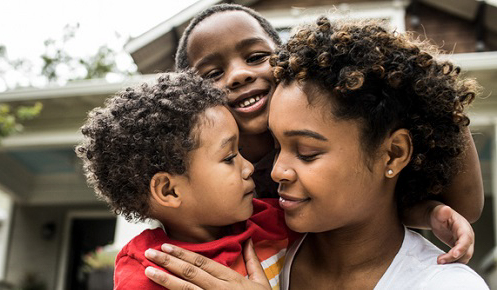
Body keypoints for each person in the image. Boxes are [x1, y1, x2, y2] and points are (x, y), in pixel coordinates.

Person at [143, 17, 489, 289]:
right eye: (277, 146)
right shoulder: (253, 250)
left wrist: (428, 209)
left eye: (306, 152)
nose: (276, 171)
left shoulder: (444, 283)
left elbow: (465, 204)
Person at [76, 72, 299, 289]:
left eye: (239, 150)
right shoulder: (149, 273)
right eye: (230, 157)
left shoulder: (274, 221)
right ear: (169, 191)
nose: (249, 167)